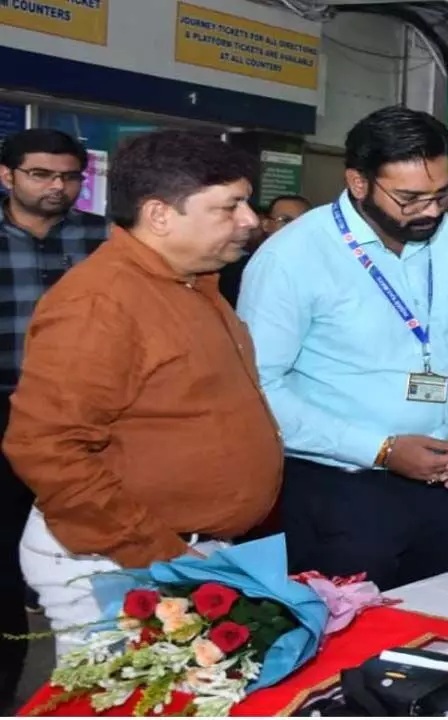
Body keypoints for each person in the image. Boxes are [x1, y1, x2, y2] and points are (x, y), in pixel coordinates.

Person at [3, 130, 283, 657]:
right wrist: (158, 551)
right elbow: (48, 449)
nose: (250, 220)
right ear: (159, 215)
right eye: (230, 206)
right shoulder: (101, 302)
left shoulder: (193, 283)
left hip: (178, 554)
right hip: (118, 562)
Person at [238, 106, 448, 591]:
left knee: (445, 621)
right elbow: (259, 390)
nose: (432, 211)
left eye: (443, 194)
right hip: (342, 493)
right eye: (410, 198)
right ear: (358, 182)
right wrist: (381, 450)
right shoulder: (293, 257)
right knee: (350, 634)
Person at [0, 128, 109, 698]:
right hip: (3, 410)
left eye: (69, 177)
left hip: (88, 420)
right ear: (7, 175)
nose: (57, 187)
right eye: (41, 174)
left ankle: (95, 682)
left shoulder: (107, 239)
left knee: (83, 550)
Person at [218, 193, 311, 307]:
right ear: (266, 225)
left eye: (303, 221)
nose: (295, 227)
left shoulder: (321, 269)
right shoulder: (235, 272)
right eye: (285, 220)